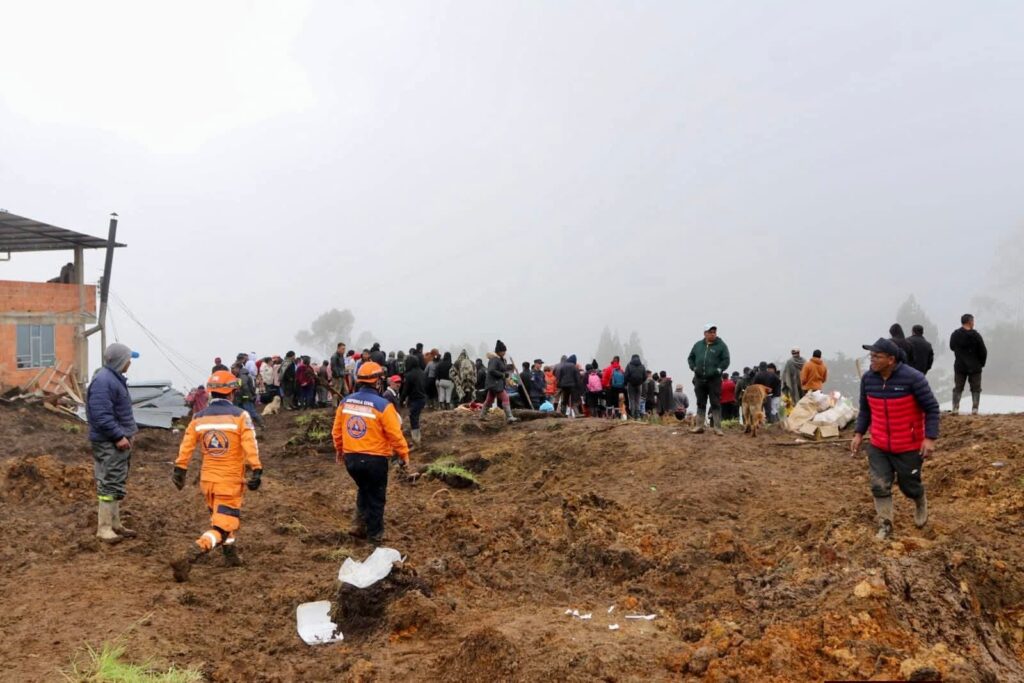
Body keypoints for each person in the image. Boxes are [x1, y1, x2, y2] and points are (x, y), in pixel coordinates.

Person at [170, 370, 263, 581]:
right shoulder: (241, 416)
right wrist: (256, 469)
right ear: (232, 392)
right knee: (223, 526)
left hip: (208, 481)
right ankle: (190, 554)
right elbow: (250, 445)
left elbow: (186, 446)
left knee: (220, 517)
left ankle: (231, 555)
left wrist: (180, 469)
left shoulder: (199, 417)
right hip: (229, 482)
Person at [851, 338, 939, 540]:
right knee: (879, 485)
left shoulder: (913, 378)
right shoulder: (868, 380)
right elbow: (865, 410)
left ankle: (919, 499)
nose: (872, 360)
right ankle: (885, 524)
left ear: (891, 359)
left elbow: (932, 408)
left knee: (909, 486)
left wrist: (930, 438)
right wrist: (858, 434)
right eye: (871, 356)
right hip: (879, 444)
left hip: (908, 444)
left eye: (877, 356)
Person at [332, 362, 409, 545]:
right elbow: (394, 434)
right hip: (375, 459)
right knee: (376, 496)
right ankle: (375, 535)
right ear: (378, 381)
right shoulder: (383, 405)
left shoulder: (345, 402)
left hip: (351, 459)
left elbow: (336, 431)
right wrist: (404, 454)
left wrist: (340, 450)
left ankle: (358, 525)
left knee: (364, 488)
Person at [86, 343, 140, 543]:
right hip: (109, 441)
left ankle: (115, 524)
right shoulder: (104, 381)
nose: (130, 362)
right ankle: (104, 528)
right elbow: (101, 415)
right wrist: (118, 436)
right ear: (120, 361)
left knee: (115, 481)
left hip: (114, 440)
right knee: (109, 482)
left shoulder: (111, 379)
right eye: (128, 359)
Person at [687, 324, 730, 435]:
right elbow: (690, 358)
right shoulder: (698, 345)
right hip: (699, 379)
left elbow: (726, 360)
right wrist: (694, 367)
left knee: (715, 403)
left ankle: (717, 428)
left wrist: (719, 369)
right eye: (710, 332)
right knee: (700, 402)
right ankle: (699, 426)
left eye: (714, 332)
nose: (712, 334)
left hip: (714, 380)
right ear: (705, 333)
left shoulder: (721, 346)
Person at [949, 313, 987, 415]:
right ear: (969, 322)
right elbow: (983, 351)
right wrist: (981, 363)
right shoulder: (976, 335)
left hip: (960, 365)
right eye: (973, 321)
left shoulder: (955, 334)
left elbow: (952, 347)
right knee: (976, 388)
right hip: (975, 366)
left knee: (958, 387)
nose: (973, 323)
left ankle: (955, 408)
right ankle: (975, 409)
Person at [479, 340, 519, 424]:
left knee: (489, 400)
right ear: (499, 351)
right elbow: (491, 370)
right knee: (505, 397)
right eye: (503, 351)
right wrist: (503, 375)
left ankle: (482, 416)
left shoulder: (499, 360)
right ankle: (509, 417)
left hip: (493, 383)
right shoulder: (495, 359)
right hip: (495, 383)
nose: (504, 353)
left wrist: (506, 369)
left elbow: (500, 368)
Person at [400, 354, 427, 445]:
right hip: (422, 398)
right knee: (416, 417)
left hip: (415, 399)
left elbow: (405, 390)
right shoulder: (422, 372)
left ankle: (416, 440)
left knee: (413, 418)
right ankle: (417, 438)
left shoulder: (409, 375)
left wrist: (401, 400)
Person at [623, 354, 646, 419]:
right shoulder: (642, 366)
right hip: (639, 385)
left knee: (632, 399)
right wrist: (641, 382)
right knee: (638, 399)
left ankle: (632, 414)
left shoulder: (629, 365)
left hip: (631, 385)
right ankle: (637, 415)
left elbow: (626, 376)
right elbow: (645, 376)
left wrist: (626, 383)